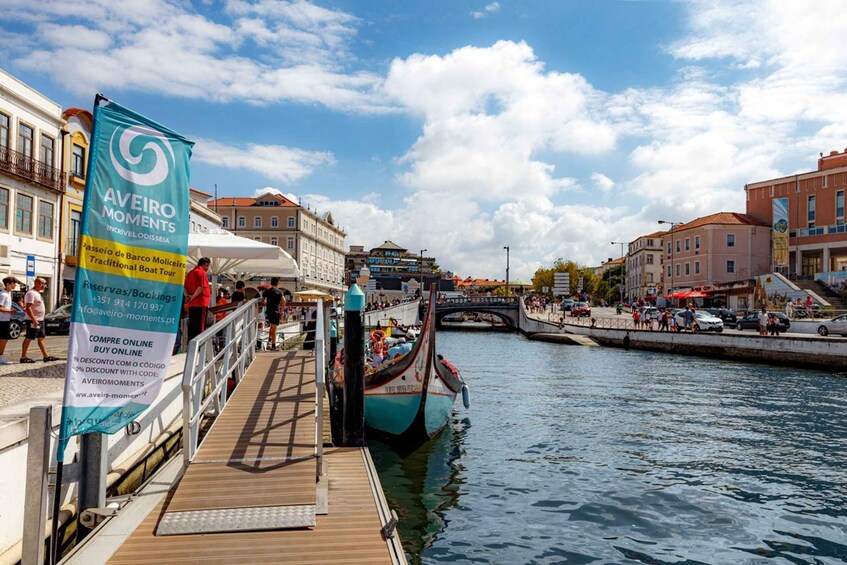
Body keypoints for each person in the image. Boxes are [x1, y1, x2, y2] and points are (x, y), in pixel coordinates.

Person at [21, 278, 58, 363]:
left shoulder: (37, 293)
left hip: (40, 320)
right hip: (33, 320)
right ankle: (23, 357)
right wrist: (34, 320)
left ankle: (46, 356)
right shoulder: (31, 293)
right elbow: (28, 307)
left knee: (41, 337)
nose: (45, 286)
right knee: (29, 337)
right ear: (38, 283)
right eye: (44, 284)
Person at [184, 257, 211, 343]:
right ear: (205, 264)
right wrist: (192, 297)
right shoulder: (201, 272)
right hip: (201, 302)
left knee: (192, 325)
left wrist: (188, 296)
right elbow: (201, 287)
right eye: (208, 266)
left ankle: (190, 344)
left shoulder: (190, 273)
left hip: (192, 304)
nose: (208, 269)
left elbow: (184, 287)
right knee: (200, 326)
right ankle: (199, 346)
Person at [0, 277, 20, 364]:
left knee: (4, 339)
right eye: (14, 283)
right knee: (3, 339)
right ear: (8, 284)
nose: (15, 285)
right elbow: (0, 308)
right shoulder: (3, 294)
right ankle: (0, 357)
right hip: (2, 320)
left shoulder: (7, 294)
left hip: (5, 319)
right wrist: (11, 311)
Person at [261, 277, 284, 350]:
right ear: (277, 283)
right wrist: (282, 311)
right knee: (274, 328)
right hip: (275, 311)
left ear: (271, 283)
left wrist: (267, 303)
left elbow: (262, 301)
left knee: (271, 326)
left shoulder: (267, 291)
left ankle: (269, 341)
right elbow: (284, 301)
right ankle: (273, 346)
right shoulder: (279, 292)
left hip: (268, 311)